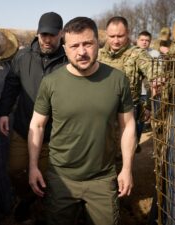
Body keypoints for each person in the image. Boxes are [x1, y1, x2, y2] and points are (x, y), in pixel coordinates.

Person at [28, 16, 136, 225]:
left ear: (98, 42)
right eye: (74, 45)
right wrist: (33, 166)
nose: (82, 52)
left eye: (87, 43)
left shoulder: (117, 80)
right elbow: (37, 125)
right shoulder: (51, 83)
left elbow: (128, 125)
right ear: (65, 48)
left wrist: (127, 168)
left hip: (102, 179)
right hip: (61, 178)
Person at [0, 11, 67, 222]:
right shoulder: (23, 57)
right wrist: (3, 112)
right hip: (23, 126)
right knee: (15, 170)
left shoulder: (67, 60)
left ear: (61, 34)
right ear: (38, 33)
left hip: (53, 133)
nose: (47, 39)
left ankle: (43, 210)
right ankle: (27, 198)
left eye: (52, 35)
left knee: (48, 177)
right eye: (43, 34)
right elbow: (11, 85)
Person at [98, 16, 158, 153]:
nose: (116, 40)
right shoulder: (99, 54)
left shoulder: (137, 53)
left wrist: (157, 78)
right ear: (106, 34)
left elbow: (152, 68)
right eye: (112, 36)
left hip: (126, 111)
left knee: (122, 150)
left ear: (128, 33)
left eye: (120, 36)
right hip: (102, 110)